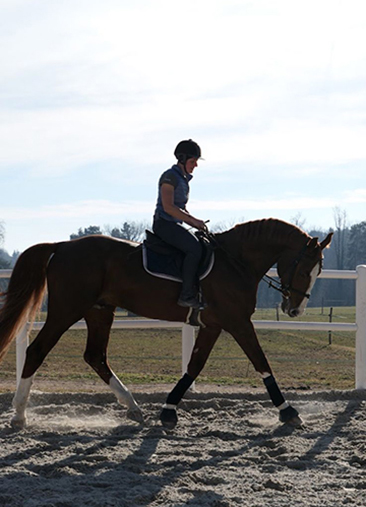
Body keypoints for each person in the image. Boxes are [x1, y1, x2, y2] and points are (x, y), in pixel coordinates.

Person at [153, 139, 207, 309]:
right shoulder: (169, 177)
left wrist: (197, 222)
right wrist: (193, 221)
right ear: (182, 160)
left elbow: (182, 209)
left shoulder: (182, 179)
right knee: (194, 249)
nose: (196, 165)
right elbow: (169, 207)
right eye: (193, 161)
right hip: (164, 224)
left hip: (175, 225)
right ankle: (186, 295)